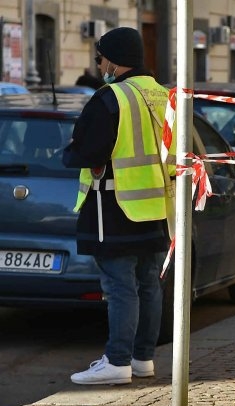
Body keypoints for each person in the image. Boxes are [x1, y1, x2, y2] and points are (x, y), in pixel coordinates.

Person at [63, 27, 176, 385]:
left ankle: (117, 362)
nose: (99, 65)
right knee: (148, 285)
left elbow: (88, 150)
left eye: (100, 58)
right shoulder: (164, 95)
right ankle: (143, 359)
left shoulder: (110, 97)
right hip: (158, 208)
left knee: (120, 288)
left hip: (116, 207)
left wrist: (70, 151)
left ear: (113, 59)